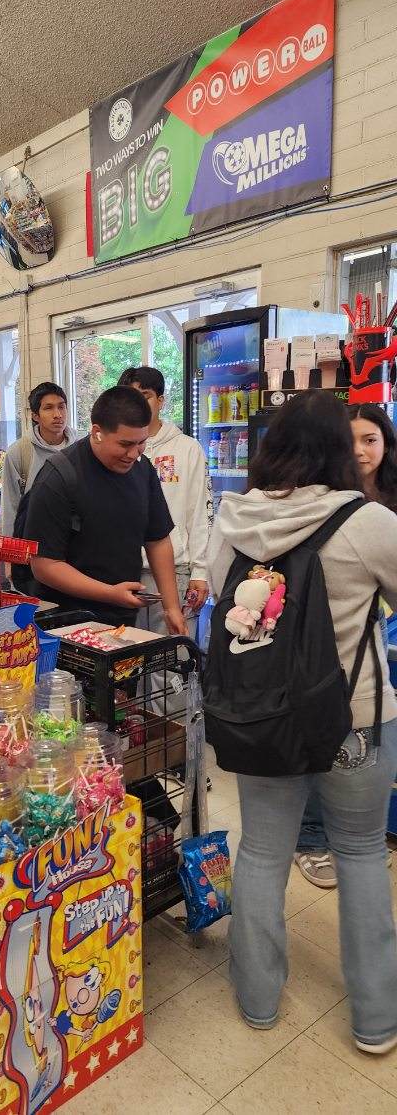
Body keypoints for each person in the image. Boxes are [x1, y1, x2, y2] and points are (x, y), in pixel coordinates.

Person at [208, 392, 397, 1053]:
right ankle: (376, 1019)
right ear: (341, 450)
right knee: (362, 853)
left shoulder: (230, 518)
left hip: (260, 717)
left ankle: (258, 1000)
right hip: (356, 719)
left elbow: (221, 599)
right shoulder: (367, 520)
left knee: (261, 852)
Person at [295, 404, 397, 889]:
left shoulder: (388, 501)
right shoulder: (325, 500)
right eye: (350, 440)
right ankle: (316, 840)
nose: (360, 450)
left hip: (377, 636)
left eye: (371, 439)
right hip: (330, 648)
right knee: (332, 740)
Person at [23, 385, 187, 633]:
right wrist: (110, 593)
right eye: (125, 444)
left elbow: (158, 540)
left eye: (141, 443)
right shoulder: (59, 476)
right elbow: (45, 565)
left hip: (122, 619)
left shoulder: (143, 470)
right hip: (66, 623)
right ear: (97, 432)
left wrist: (171, 607)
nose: (133, 454)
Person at [117, 366, 212, 638]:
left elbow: (201, 512)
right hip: (124, 573)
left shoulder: (187, 448)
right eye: (130, 396)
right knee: (128, 661)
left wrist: (200, 572)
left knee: (172, 663)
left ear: (160, 400)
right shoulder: (116, 450)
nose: (137, 404)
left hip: (175, 571)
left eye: (144, 396)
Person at [0, 382, 75, 538]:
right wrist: (10, 554)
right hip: (36, 544)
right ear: (35, 416)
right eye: (48, 408)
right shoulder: (19, 453)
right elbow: (9, 507)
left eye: (61, 407)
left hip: (78, 545)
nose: (58, 414)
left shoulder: (81, 447)